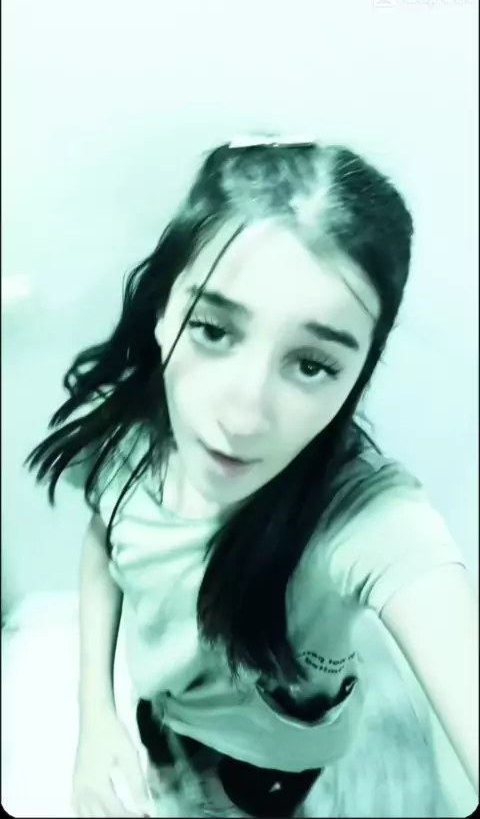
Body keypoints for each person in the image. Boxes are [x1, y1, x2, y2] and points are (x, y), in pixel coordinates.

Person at [26, 136, 478, 818]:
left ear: (357, 374)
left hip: (274, 762)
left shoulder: (363, 516)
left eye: (312, 364)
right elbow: (105, 540)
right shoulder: (126, 436)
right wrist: (96, 716)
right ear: (163, 311)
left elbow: (425, 584)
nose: (242, 416)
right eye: (213, 329)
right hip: (165, 711)